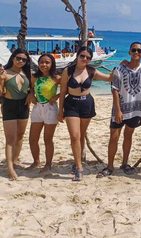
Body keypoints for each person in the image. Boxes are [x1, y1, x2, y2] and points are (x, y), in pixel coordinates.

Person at [97, 42, 141, 178]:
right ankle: (110, 165)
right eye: (134, 50)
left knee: (128, 136)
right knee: (114, 137)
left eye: (139, 50)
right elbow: (115, 89)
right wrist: (118, 110)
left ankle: (125, 163)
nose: (136, 52)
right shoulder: (120, 69)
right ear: (129, 52)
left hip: (136, 109)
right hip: (121, 109)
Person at [57, 47, 113, 181]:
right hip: (71, 104)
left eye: (88, 57)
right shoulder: (68, 71)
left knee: (81, 135)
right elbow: (63, 92)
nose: (85, 59)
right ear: (77, 56)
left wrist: (120, 68)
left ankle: (78, 161)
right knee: (75, 136)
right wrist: (60, 111)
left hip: (86, 103)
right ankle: (79, 167)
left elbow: (110, 78)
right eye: (82, 56)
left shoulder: (92, 71)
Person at [0, 49, 32, 180]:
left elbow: (32, 88)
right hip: (10, 105)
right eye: (18, 58)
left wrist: (31, 94)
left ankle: (15, 161)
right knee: (10, 139)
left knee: (20, 135)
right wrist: (0, 79)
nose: (21, 61)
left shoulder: (27, 73)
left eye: (24, 59)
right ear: (13, 58)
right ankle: (10, 168)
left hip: (24, 106)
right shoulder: (5, 73)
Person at [26, 54, 61, 174]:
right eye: (41, 62)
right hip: (37, 108)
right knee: (32, 138)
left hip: (50, 109)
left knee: (48, 139)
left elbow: (67, 90)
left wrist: (56, 96)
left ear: (52, 64)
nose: (44, 65)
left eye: (47, 62)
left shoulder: (56, 78)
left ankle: (48, 164)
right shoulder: (34, 77)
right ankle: (36, 162)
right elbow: (30, 89)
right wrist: (30, 94)